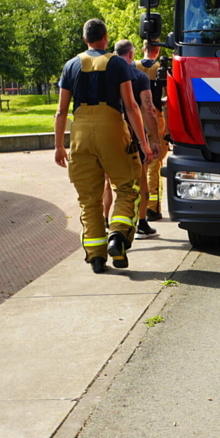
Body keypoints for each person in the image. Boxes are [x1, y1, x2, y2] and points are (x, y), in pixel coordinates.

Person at [54, 19, 154, 274]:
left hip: (80, 134)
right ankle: (118, 236)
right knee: (126, 188)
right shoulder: (118, 63)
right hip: (112, 131)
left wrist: (59, 147)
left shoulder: (70, 65)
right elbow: (131, 106)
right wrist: (143, 143)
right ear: (105, 37)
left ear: (84, 38)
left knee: (89, 200)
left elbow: (61, 111)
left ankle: (96, 257)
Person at [101, 40, 161, 238]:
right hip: (132, 137)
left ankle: (104, 220)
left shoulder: (104, 74)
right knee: (140, 180)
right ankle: (141, 223)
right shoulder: (139, 76)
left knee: (108, 181)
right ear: (131, 55)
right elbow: (148, 109)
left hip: (108, 135)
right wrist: (154, 141)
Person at [136, 40, 170, 221]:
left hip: (135, 118)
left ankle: (138, 206)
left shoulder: (132, 67)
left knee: (139, 161)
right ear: (157, 50)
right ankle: (152, 208)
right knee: (155, 162)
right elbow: (168, 98)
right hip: (155, 118)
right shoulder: (162, 69)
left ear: (143, 49)